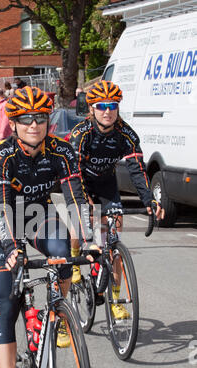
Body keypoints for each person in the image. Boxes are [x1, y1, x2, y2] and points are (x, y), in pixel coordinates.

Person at [0, 86, 97, 368]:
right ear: (13, 123)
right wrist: (11, 249)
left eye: (41, 118)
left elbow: (76, 196)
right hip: (1, 222)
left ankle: (57, 315)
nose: (34, 124)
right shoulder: (1, 154)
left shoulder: (61, 151)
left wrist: (90, 240)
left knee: (62, 252)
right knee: (6, 304)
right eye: (26, 119)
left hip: (37, 214)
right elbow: (1, 207)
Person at [69, 80, 165, 319]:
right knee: (79, 229)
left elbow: (137, 169)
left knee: (113, 241)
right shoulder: (81, 133)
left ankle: (116, 299)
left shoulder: (126, 133)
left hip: (106, 184)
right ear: (91, 108)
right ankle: (73, 263)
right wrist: (84, 203)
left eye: (113, 105)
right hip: (81, 183)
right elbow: (73, 172)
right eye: (101, 105)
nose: (107, 111)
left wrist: (149, 200)